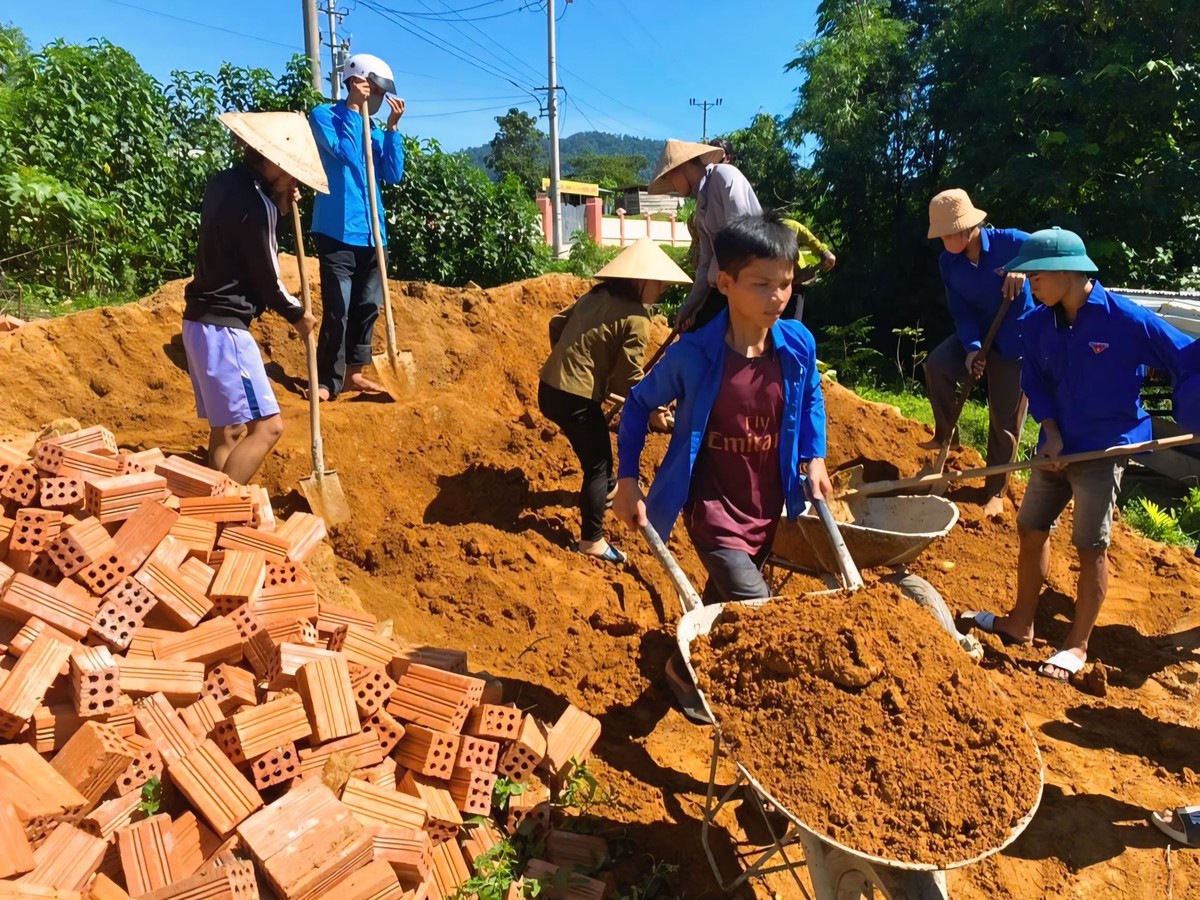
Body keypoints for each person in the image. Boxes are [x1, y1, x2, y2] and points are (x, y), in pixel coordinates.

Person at [613, 212, 830, 722]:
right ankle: (761, 719)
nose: (777, 297)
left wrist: (814, 455)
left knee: (720, 607)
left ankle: (679, 673)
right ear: (725, 282)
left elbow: (812, 395)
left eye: (786, 283)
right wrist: (627, 480)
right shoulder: (694, 354)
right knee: (765, 617)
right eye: (762, 284)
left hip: (766, 507)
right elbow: (638, 405)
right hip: (714, 513)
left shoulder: (797, 344)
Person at [958, 227, 1200, 682]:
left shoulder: (1126, 320)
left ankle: (1076, 645)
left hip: (1104, 449)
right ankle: (1021, 622)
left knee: (1090, 546)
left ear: (1068, 271)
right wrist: (1049, 432)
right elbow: (1035, 383)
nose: (1030, 286)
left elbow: (1186, 358)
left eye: (1037, 278)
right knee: (1030, 528)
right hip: (1055, 447)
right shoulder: (1035, 323)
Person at [182, 112, 324, 485]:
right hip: (225, 328)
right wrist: (297, 315)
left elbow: (240, 233)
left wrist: (276, 201)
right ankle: (218, 511)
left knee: (226, 430)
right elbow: (266, 275)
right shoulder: (258, 205)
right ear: (274, 161)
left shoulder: (224, 183)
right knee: (268, 427)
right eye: (291, 169)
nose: (295, 178)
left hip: (197, 320)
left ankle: (208, 514)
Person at [539, 238, 690, 565]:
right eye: (659, 282)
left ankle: (605, 492)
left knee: (596, 452)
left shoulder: (597, 295)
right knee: (599, 466)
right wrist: (654, 409)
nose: (662, 288)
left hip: (549, 387)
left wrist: (570, 361)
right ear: (641, 280)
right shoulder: (637, 317)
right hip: (574, 396)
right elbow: (630, 377)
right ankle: (591, 541)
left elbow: (556, 323)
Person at [924, 189, 1034, 519]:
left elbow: (1052, 249)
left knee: (1004, 419)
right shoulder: (949, 262)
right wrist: (972, 350)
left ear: (967, 228)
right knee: (937, 366)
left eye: (947, 233)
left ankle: (995, 491)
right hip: (976, 333)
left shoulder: (1011, 243)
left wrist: (1024, 268)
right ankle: (947, 436)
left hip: (1014, 341)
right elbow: (961, 311)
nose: (943, 240)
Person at [309, 53, 407, 400]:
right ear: (357, 82)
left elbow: (393, 174)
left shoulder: (377, 131)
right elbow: (348, 154)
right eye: (377, 92)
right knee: (339, 308)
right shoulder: (325, 116)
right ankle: (326, 380)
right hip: (336, 230)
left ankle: (354, 374)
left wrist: (392, 130)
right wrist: (352, 110)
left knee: (367, 306)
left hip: (373, 234)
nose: (380, 100)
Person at [646, 139, 762, 332]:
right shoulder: (701, 206)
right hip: (722, 290)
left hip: (744, 287)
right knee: (692, 337)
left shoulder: (724, 175)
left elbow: (745, 237)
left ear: (680, 167)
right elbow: (706, 263)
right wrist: (690, 306)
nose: (672, 186)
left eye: (669, 178)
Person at [780, 216, 837, 322]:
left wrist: (824, 253)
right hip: (775, 284)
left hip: (798, 280)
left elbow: (807, 236)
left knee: (794, 321)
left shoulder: (789, 226)